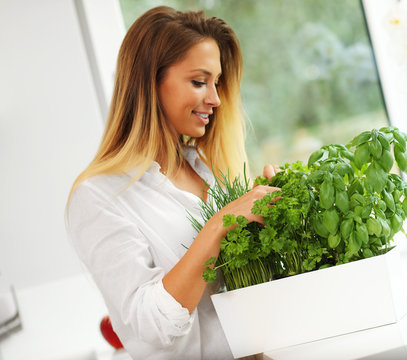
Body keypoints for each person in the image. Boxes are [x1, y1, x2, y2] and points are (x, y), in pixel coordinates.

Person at [65, 6, 279, 359]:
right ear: (150, 83)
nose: (215, 99)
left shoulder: (206, 168)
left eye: (217, 83)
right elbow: (148, 329)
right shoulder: (98, 197)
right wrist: (221, 225)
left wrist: (270, 214)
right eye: (199, 82)